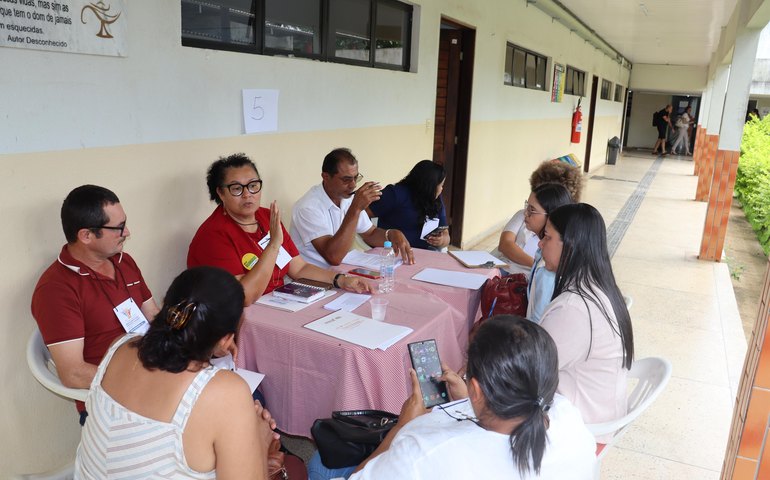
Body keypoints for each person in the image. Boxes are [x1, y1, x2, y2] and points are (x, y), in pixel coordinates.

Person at [307, 315, 596, 479]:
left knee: (318, 465)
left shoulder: (421, 452)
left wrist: (400, 429)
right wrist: (469, 402)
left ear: (478, 390)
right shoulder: (568, 417)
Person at [75, 266, 277, 478]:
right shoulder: (225, 392)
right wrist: (260, 442)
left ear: (166, 308)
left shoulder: (120, 347)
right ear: (226, 339)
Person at [31, 185, 160, 423]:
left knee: (223, 393)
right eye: (118, 228)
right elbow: (73, 374)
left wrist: (194, 344)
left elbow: (154, 318)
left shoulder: (125, 262)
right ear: (86, 236)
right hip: (112, 398)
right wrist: (144, 377)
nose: (127, 232)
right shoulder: (56, 289)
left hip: (155, 374)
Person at [187, 153, 372, 305]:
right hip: (237, 317)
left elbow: (299, 268)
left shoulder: (266, 217)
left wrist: (340, 279)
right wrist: (274, 245)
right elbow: (244, 296)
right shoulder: (213, 235)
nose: (247, 195)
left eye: (253, 186)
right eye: (236, 189)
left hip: (279, 302)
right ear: (220, 192)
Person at [538, 203, 634, 438]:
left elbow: (531, 371)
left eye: (547, 237)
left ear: (570, 245)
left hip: (580, 431)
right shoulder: (599, 287)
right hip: (599, 415)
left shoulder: (575, 309)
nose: (540, 243)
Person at [291, 148, 415, 267]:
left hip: (343, 269)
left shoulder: (347, 198)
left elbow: (370, 233)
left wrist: (391, 234)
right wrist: (355, 209)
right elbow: (333, 257)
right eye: (346, 180)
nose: (353, 185)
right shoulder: (308, 207)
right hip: (314, 277)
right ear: (326, 177)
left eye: (356, 178)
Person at [367, 160, 450, 251]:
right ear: (429, 185)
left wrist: (441, 240)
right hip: (393, 252)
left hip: (426, 252)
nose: (442, 189)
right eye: (441, 185)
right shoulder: (395, 194)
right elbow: (363, 215)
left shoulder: (436, 200)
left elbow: (446, 235)